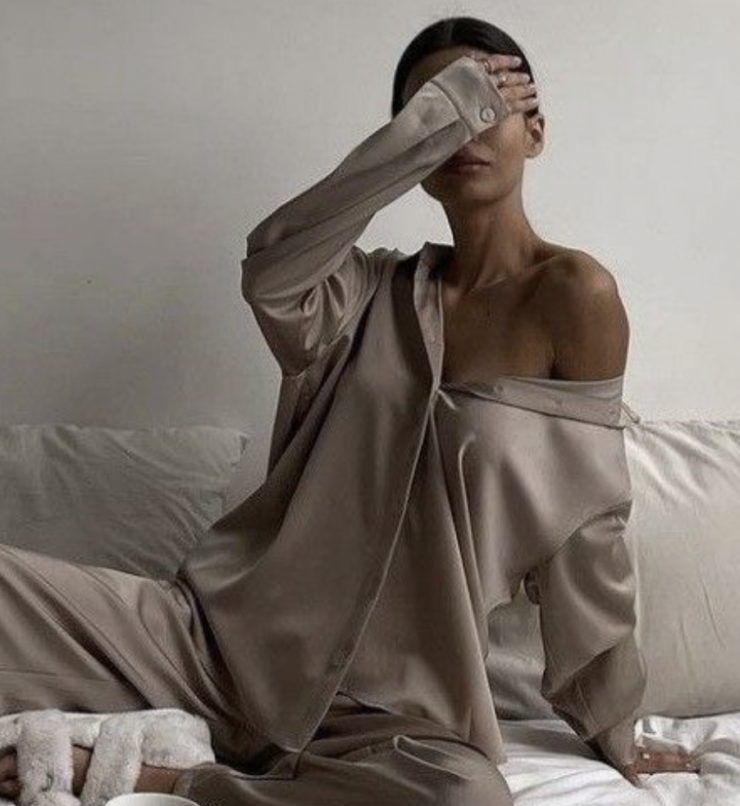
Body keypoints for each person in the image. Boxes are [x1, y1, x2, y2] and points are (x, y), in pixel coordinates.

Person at [0, 14, 700, 806]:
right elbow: (270, 270)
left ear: (534, 132)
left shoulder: (574, 297)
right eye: (440, 106)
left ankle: (176, 776)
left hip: (388, 713)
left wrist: (614, 725)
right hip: (207, 649)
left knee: (465, 799)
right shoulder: (357, 294)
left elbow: (587, 530)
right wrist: (429, 126)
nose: (465, 124)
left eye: (488, 102)